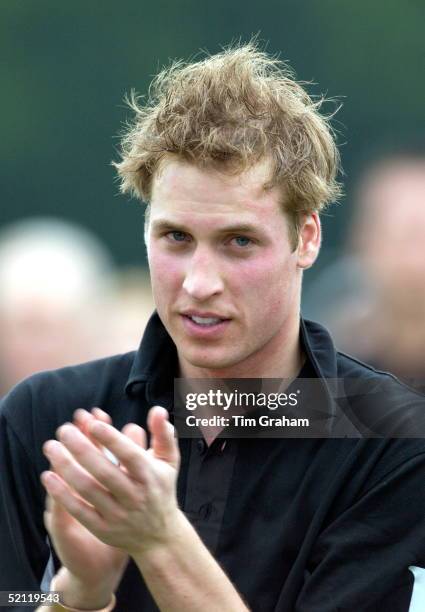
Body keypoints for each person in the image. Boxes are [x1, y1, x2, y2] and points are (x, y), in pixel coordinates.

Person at [1, 43, 425, 612]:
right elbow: (13, 598)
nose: (200, 282)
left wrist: (158, 539)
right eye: (176, 237)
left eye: (238, 242)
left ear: (306, 239)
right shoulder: (44, 416)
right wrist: (77, 595)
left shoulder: (391, 438)